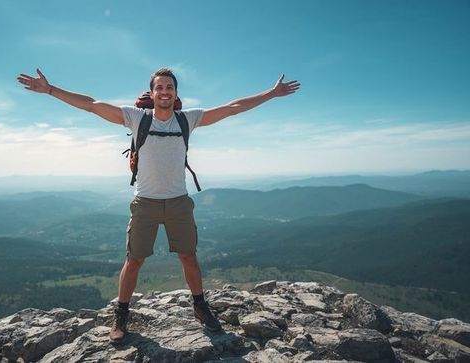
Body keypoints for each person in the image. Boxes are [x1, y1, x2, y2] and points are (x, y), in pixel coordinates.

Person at [17, 67, 300, 343]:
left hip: (178, 202)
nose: (164, 92)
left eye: (169, 87)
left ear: (175, 93)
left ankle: (200, 307)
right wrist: (51, 90)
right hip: (146, 203)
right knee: (134, 260)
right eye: (159, 87)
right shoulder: (135, 118)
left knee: (189, 257)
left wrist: (272, 93)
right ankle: (121, 314)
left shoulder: (187, 119)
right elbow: (91, 105)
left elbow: (233, 107)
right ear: (152, 93)